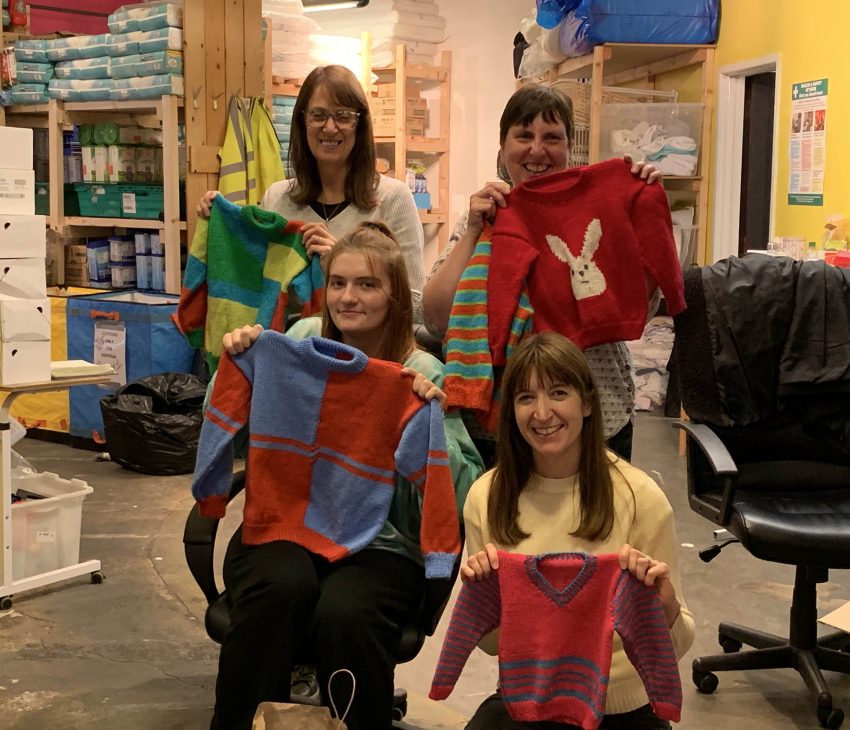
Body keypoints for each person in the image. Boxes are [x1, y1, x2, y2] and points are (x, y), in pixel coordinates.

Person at [207, 221, 484, 730]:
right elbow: (236, 416)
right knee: (278, 590)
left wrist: (430, 426)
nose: (347, 297)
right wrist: (240, 359)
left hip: (381, 542)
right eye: (338, 282)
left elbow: (458, 486)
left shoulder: (419, 369)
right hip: (286, 523)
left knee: (347, 615)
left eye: (367, 284)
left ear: (395, 295)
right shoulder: (302, 338)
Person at [461, 331, 694, 729]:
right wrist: (484, 604)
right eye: (526, 398)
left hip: (621, 709)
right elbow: (492, 645)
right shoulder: (487, 496)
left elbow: (675, 646)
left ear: (587, 402)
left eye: (558, 393)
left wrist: (666, 608)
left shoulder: (640, 497)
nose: (542, 413)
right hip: (529, 699)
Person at [422, 84, 663, 462]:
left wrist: (640, 206)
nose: (537, 150)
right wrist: (472, 230)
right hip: (503, 424)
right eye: (523, 136)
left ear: (569, 148)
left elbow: (636, 308)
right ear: (502, 149)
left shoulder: (597, 213)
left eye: (552, 137)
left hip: (597, 411)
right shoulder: (486, 219)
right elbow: (436, 317)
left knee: (599, 520)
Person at [198, 64, 426, 321]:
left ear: (360, 125)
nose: (329, 127)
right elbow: (252, 288)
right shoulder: (277, 198)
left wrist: (339, 264)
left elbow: (416, 308)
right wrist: (220, 223)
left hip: (362, 357)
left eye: (343, 116)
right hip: (287, 354)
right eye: (318, 115)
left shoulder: (393, 199)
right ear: (302, 121)